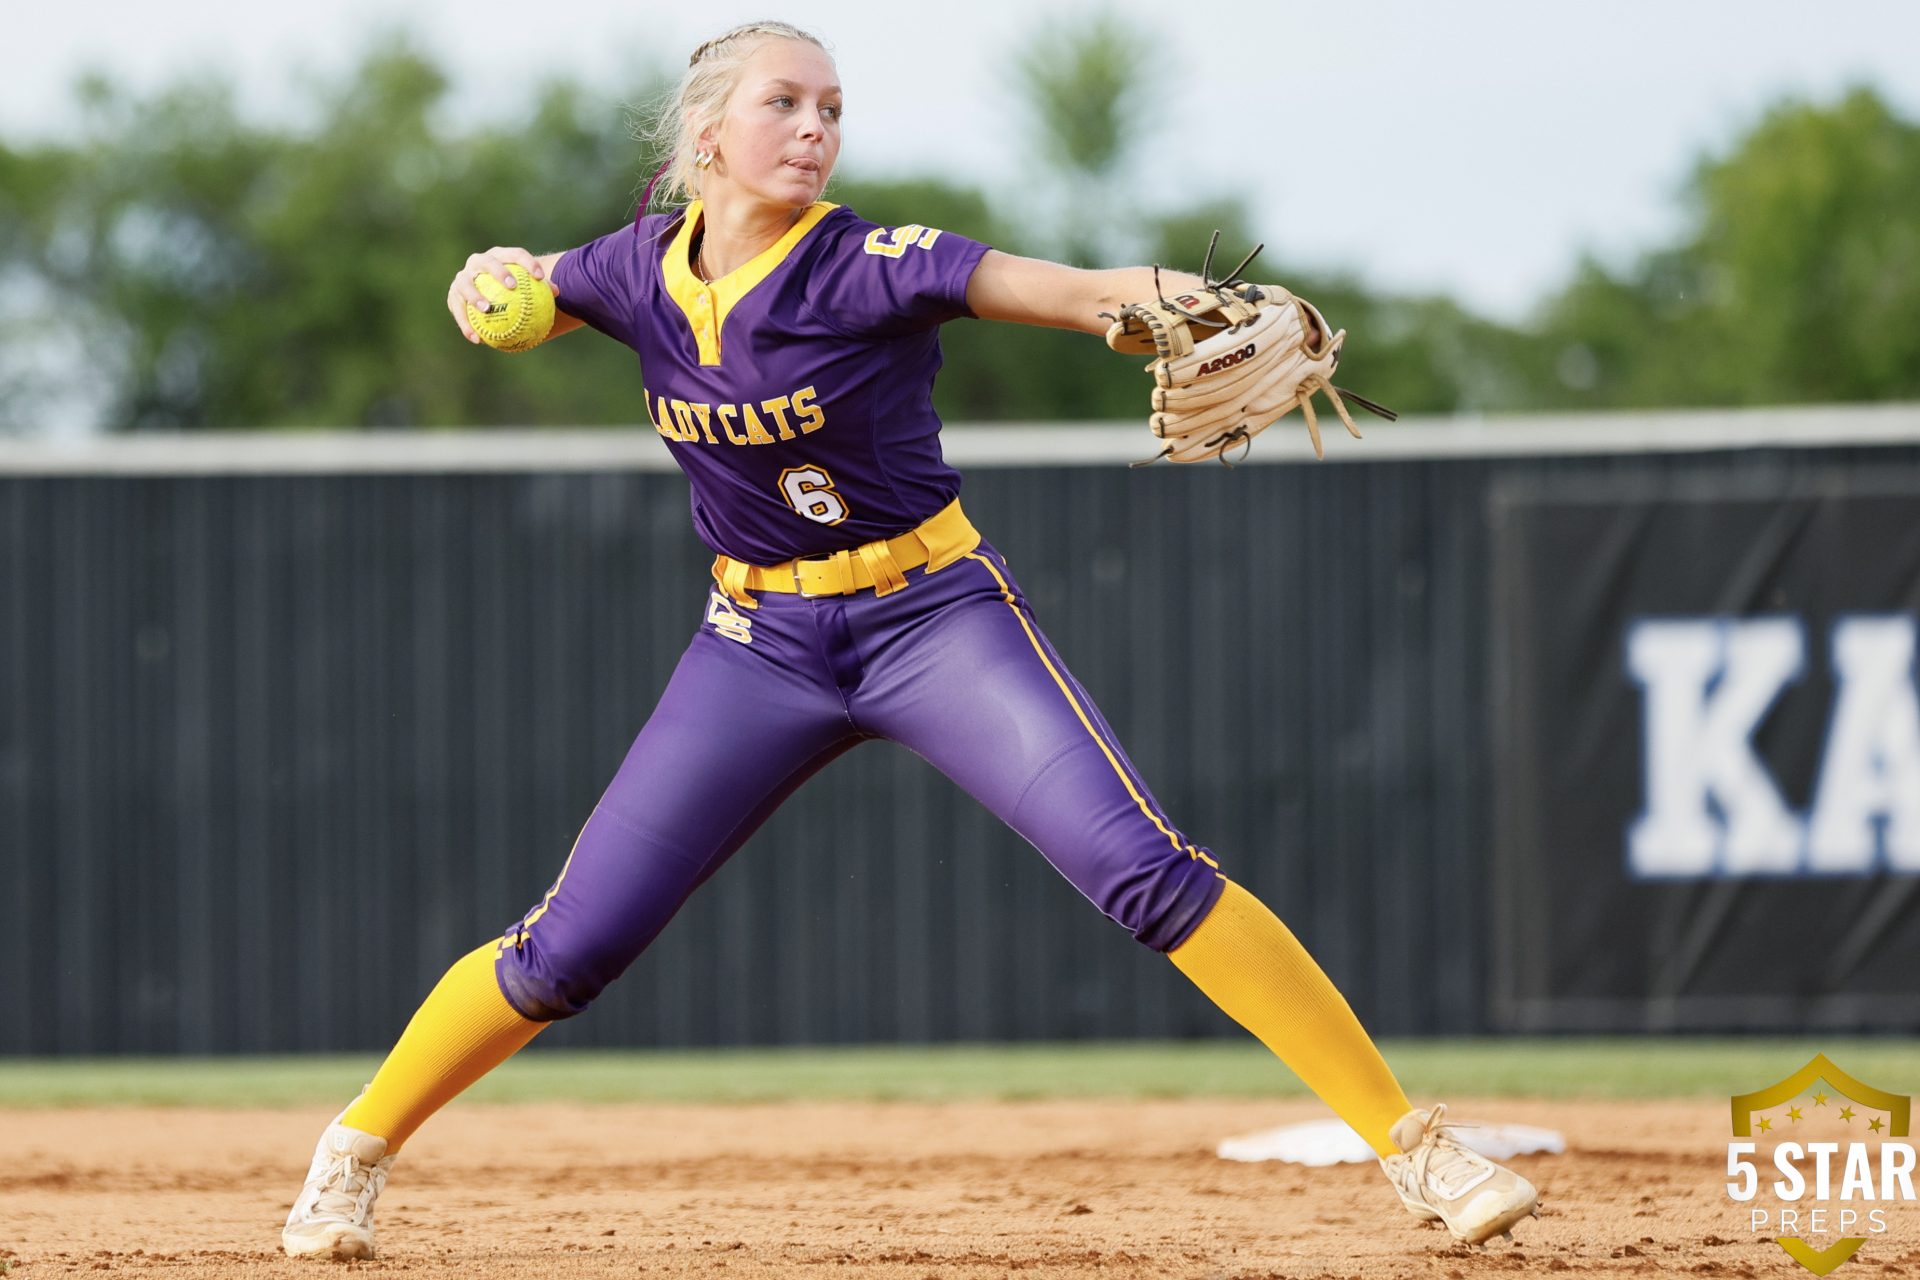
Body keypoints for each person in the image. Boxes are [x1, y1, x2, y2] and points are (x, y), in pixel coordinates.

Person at [281, 19, 1537, 1263]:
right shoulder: (633, 267)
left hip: (930, 619)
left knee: (1144, 868)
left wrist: (1175, 300)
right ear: (706, 134)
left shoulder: (876, 261)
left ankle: (1417, 1145)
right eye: (785, 104)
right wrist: (486, 281)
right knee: (569, 946)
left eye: (832, 108)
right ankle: (351, 1154)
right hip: (757, 641)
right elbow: (530, 290)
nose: (816, 129)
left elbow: (1068, 290)